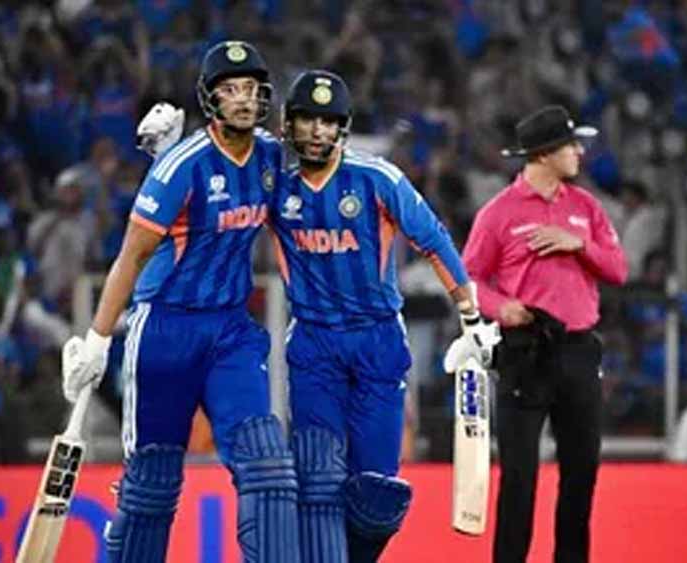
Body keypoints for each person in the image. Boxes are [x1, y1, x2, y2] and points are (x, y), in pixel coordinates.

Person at [60, 41, 299, 563]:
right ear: (211, 99)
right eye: (230, 90)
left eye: (251, 89)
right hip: (164, 332)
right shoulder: (182, 167)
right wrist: (97, 341)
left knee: (268, 467)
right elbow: (132, 256)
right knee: (152, 487)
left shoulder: (269, 156)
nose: (243, 99)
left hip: (231, 331)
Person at [270, 69, 498, 563]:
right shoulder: (274, 188)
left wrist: (471, 318)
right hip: (314, 346)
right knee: (317, 480)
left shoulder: (376, 179)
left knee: (377, 494)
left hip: (377, 343)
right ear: (289, 124)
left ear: (343, 127)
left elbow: (434, 240)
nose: (317, 130)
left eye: (328, 121)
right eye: (307, 119)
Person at [461, 105, 628, 563]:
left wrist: (580, 245)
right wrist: (501, 307)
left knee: (582, 471)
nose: (579, 152)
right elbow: (467, 278)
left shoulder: (586, 207)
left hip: (578, 349)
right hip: (524, 350)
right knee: (519, 476)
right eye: (570, 145)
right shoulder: (499, 213)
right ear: (543, 154)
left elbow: (618, 269)